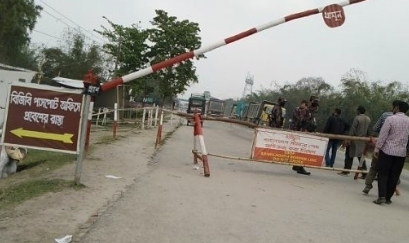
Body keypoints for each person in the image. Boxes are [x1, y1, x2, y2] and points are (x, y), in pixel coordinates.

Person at [373, 101, 409, 205]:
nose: (392, 108)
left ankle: (382, 196)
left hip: (387, 151)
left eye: (393, 107)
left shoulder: (390, 119)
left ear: (397, 108)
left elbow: (383, 135)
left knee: (383, 173)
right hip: (401, 153)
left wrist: (377, 149)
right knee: (394, 175)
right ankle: (388, 198)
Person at [362, 100, 401, 194]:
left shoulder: (385, 115)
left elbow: (375, 128)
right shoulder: (405, 120)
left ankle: (368, 185)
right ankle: (390, 189)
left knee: (374, 167)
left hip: (382, 145)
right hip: (396, 148)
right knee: (391, 169)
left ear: (394, 107)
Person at [338, 106, 371, 176]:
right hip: (362, 140)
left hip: (355, 139)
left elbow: (353, 129)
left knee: (349, 155)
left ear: (358, 111)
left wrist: (349, 139)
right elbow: (368, 130)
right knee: (361, 157)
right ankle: (364, 173)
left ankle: (346, 171)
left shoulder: (357, 118)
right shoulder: (368, 119)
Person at [289, 98, 317, 176]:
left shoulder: (309, 111)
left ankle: (297, 166)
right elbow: (301, 120)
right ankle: (299, 166)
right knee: (301, 149)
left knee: (301, 149)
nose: (315, 107)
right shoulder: (304, 110)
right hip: (300, 132)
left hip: (302, 131)